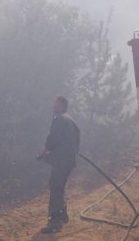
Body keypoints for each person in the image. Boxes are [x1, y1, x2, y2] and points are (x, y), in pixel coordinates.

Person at [38, 96, 80, 234]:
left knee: (55, 187)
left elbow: (52, 139)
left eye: (55, 104)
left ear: (62, 106)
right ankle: (62, 216)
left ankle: (55, 222)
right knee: (59, 187)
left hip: (61, 160)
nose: (53, 106)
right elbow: (76, 138)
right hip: (69, 161)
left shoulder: (59, 119)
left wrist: (43, 151)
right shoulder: (71, 120)